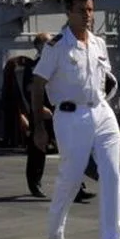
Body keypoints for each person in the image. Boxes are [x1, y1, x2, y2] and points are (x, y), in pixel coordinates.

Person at [31, 0, 120, 239]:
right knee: (72, 174)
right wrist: (39, 128)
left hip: (101, 112)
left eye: (90, 10)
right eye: (81, 10)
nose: (88, 15)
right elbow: (38, 84)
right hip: (70, 115)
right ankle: (56, 226)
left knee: (112, 175)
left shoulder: (99, 44)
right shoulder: (56, 47)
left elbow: (106, 79)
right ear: (68, 13)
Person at [18, 33, 97, 202]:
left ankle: (77, 188)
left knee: (70, 149)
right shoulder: (34, 65)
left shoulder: (59, 60)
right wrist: (40, 109)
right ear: (39, 47)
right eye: (47, 42)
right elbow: (30, 89)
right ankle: (35, 183)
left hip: (60, 112)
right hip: (42, 113)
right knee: (38, 150)